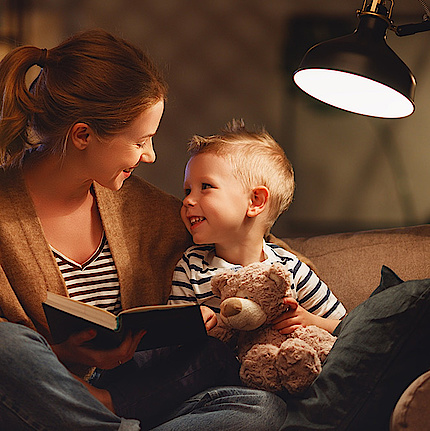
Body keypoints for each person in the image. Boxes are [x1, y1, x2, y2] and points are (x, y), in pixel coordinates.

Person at [0, 30, 287, 431]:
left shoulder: (149, 211)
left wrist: (295, 305)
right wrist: (60, 352)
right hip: (46, 401)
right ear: (83, 135)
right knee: (6, 347)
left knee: (258, 408)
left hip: (139, 396)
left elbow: (255, 246)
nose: (150, 156)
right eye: (141, 140)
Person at [168, 120, 346, 335]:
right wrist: (196, 322)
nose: (187, 201)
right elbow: (171, 335)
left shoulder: (290, 269)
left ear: (255, 201)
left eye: (205, 187)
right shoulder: (192, 266)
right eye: (187, 190)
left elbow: (348, 327)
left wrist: (311, 321)